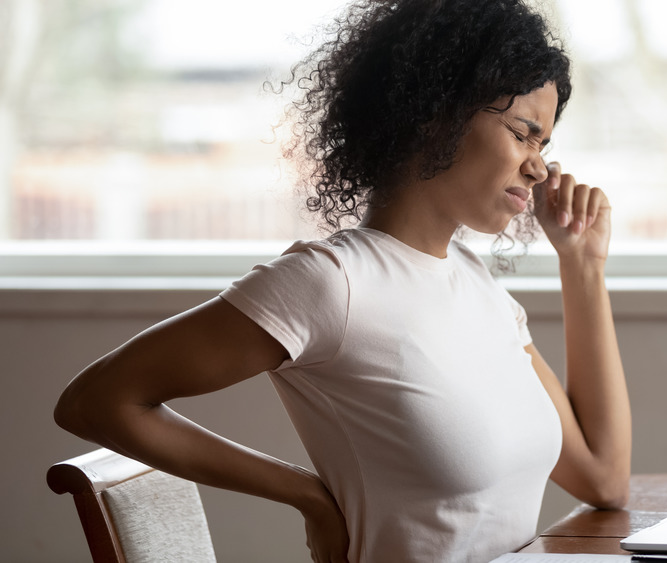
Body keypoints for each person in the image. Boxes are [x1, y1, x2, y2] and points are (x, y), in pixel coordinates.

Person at [53, 1, 631, 561]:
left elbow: (603, 480)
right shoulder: (331, 284)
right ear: (438, 113)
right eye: (523, 133)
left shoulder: (477, 286)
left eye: (544, 145)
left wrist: (582, 265)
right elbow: (95, 403)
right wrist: (307, 495)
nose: (539, 166)